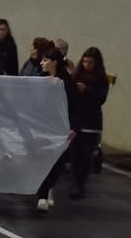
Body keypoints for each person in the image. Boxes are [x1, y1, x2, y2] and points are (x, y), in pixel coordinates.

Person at [35, 48, 78, 213]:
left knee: (58, 164)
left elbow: (74, 107)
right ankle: (43, 195)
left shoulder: (67, 83)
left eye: (45, 60)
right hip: (42, 127)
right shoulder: (41, 80)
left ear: (55, 62)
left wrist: (74, 127)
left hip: (61, 129)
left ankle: (48, 188)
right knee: (43, 161)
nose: (41, 63)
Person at [69, 47, 110, 200]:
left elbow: (101, 98)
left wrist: (86, 89)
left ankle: (80, 184)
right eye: (85, 61)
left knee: (86, 156)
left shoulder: (101, 79)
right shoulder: (76, 75)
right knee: (74, 155)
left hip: (91, 122)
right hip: (76, 121)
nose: (87, 65)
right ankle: (75, 182)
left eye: (90, 62)